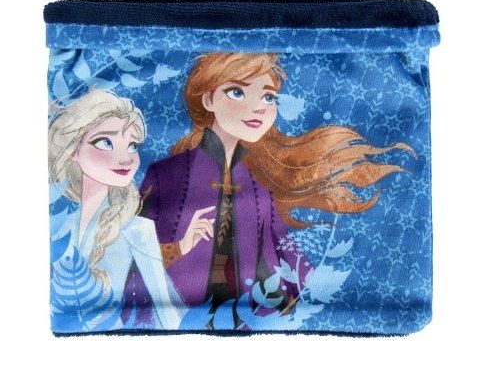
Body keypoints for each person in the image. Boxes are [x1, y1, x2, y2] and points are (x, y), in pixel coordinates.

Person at [140, 53, 412, 314]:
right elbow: (134, 255)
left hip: (251, 317)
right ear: (209, 99)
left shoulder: (257, 185)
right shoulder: (167, 175)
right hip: (177, 313)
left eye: (268, 96)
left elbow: (285, 256)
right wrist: (181, 247)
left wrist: (306, 302)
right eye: (237, 92)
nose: (258, 107)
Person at [49, 89, 184, 331]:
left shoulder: (138, 230)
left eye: (132, 146)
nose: (126, 159)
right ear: (74, 150)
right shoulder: (59, 225)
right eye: (105, 142)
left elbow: (167, 310)